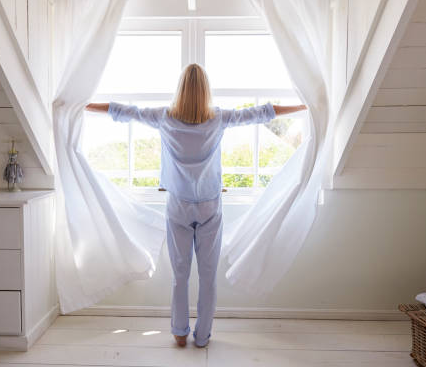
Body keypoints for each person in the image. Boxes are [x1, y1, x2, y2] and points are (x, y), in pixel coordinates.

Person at [85, 63, 307, 348]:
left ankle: (179, 333)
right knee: (208, 277)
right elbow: (261, 112)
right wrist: (302, 106)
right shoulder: (218, 119)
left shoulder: (163, 118)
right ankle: (202, 337)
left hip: (178, 206)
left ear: (180, 90)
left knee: (180, 276)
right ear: (206, 91)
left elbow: (123, 111)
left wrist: (85, 104)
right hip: (209, 207)